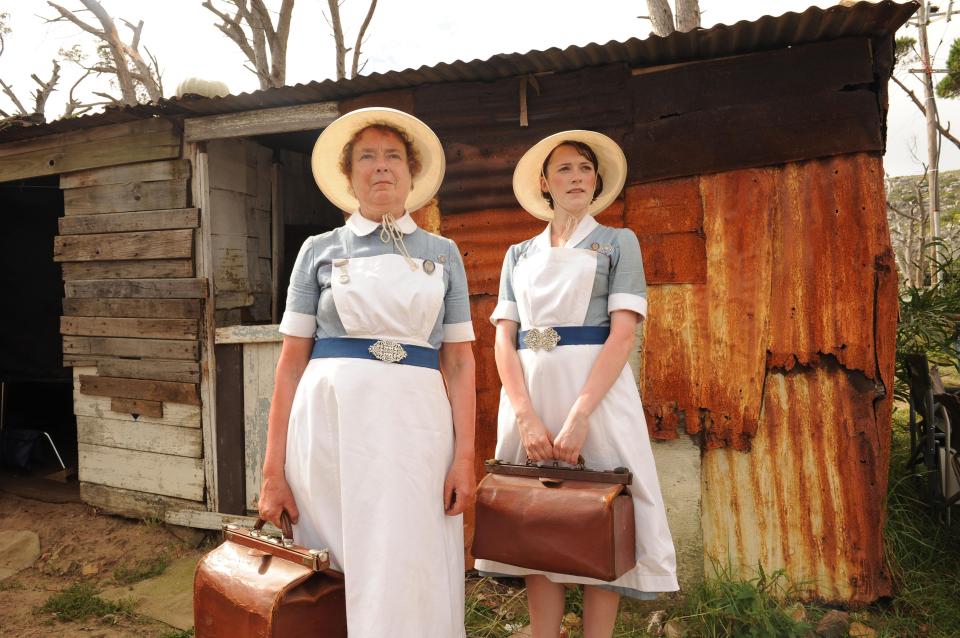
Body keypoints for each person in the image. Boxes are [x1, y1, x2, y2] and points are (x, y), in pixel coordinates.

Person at [257, 107, 476, 638]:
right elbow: (289, 366)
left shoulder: (443, 253)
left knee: (411, 547)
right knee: (334, 553)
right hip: (332, 429)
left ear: (412, 171)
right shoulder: (318, 251)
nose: (381, 167)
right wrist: (271, 472)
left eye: (393, 156)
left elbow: (460, 360)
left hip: (417, 429)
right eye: (367, 157)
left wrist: (465, 457)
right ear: (349, 174)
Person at [474, 131, 679, 638]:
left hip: (596, 395)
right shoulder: (517, 254)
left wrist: (580, 414)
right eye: (565, 169)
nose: (577, 177)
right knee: (539, 515)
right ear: (545, 183)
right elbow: (505, 340)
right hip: (530, 392)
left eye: (586, 168)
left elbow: (623, 332)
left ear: (597, 180)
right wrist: (524, 413)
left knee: (595, 513)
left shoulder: (617, 242)